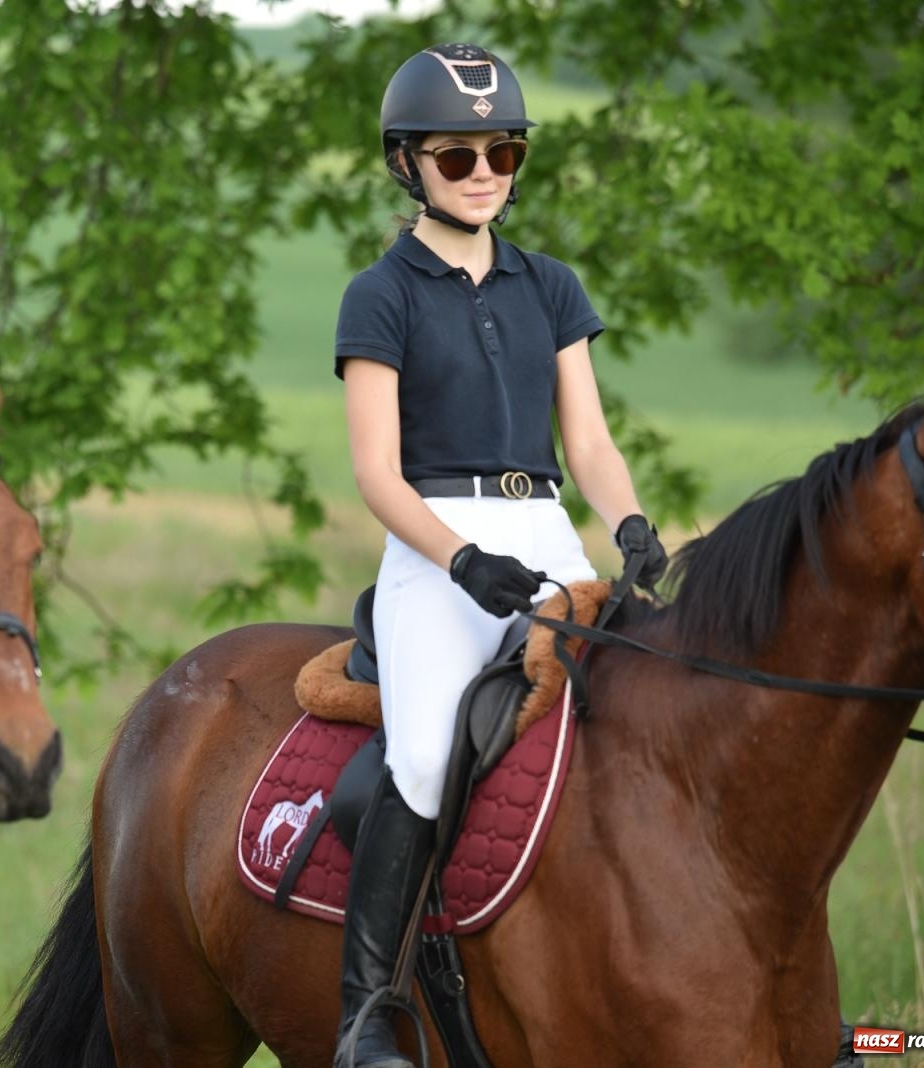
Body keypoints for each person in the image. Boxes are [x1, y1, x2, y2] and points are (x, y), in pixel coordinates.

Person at [331, 45, 668, 1068]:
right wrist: (462, 561)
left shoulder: (549, 285)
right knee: (429, 753)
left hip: (548, 532)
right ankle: (365, 1014)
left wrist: (630, 524)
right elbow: (376, 475)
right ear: (406, 164)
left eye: (505, 149)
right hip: (434, 546)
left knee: (648, 715)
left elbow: (592, 445)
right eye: (457, 154)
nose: (485, 171)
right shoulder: (378, 295)